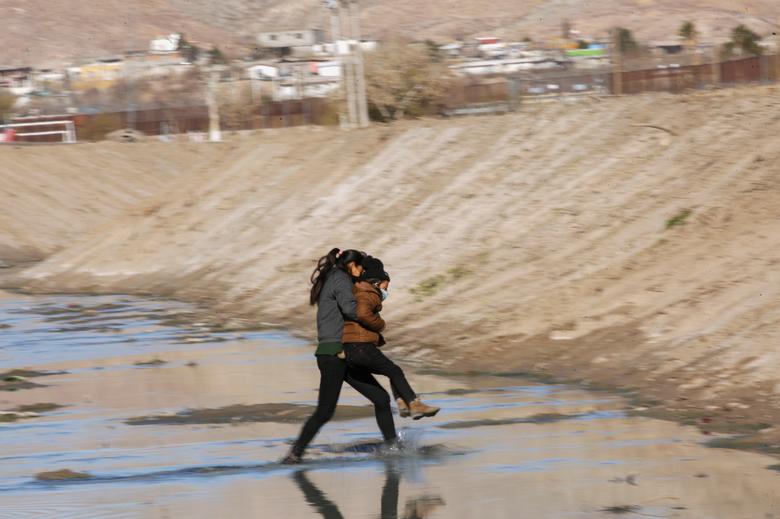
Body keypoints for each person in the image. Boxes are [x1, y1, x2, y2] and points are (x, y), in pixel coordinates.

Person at [282, 248, 399, 464]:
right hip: (334, 353)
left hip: (342, 352)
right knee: (325, 411)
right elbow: (351, 310)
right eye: (361, 267)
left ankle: (393, 448)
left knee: (381, 399)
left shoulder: (336, 278)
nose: (363, 272)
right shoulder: (341, 280)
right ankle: (294, 454)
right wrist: (374, 308)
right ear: (352, 266)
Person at [343, 256, 440, 420]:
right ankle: (414, 404)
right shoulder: (368, 293)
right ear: (378, 281)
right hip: (360, 346)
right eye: (387, 283)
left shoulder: (360, 290)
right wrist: (379, 324)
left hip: (352, 350)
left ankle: (403, 402)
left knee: (392, 371)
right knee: (395, 371)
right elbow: (362, 314)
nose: (388, 288)